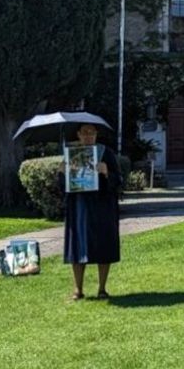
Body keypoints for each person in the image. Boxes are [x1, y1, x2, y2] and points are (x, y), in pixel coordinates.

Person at [63, 124, 121, 300]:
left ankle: (102, 289)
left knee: (103, 245)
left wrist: (106, 173)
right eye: (85, 133)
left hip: (102, 206)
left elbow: (119, 180)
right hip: (79, 207)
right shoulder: (70, 155)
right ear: (78, 135)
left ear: (96, 135)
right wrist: (61, 174)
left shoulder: (106, 153)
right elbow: (62, 187)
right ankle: (78, 290)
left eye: (92, 132)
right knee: (77, 246)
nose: (88, 136)